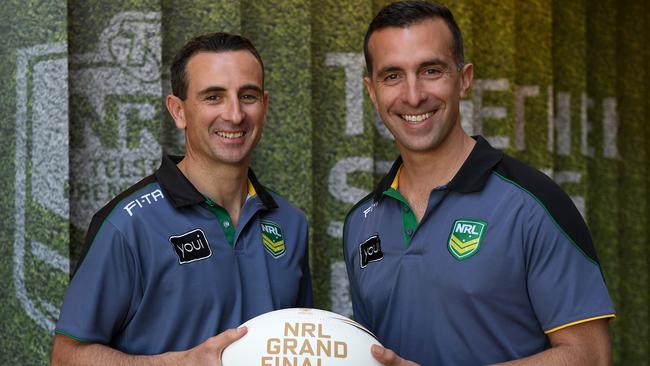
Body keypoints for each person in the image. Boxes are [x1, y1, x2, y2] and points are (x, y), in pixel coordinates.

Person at [343, 2, 615, 365]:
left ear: (464, 79)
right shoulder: (360, 223)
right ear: (372, 91)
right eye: (392, 75)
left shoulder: (533, 204)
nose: (413, 95)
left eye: (431, 70)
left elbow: (591, 357)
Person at [51, 32, 313, 365]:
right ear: (178, 111)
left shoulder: (290, 223)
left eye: (247, 96)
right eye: (213, 97)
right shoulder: (129, 224)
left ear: (265, 105)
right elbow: (66, 357)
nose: (234, 115)